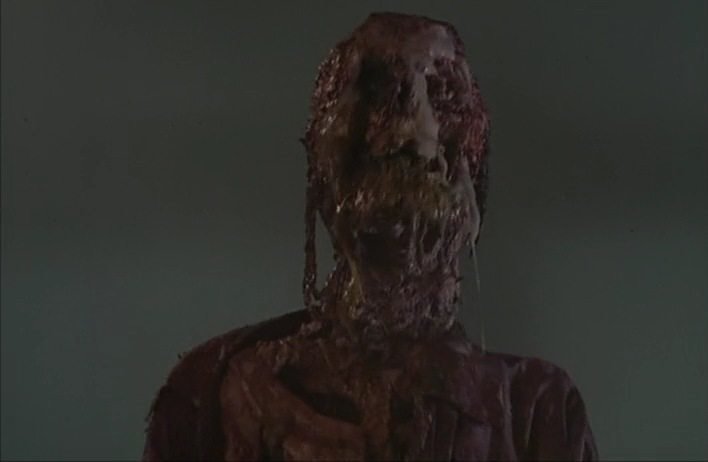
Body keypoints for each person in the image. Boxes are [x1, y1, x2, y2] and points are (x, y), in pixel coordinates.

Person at [143, 12, 598, 461]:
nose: (414, 131)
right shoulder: (218, 396)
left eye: (444, 98)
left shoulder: (540, 410)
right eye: (381, 94)